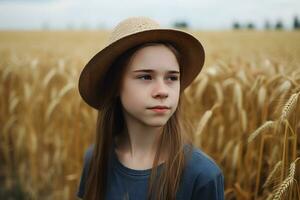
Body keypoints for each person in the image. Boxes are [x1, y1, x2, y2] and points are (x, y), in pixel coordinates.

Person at [76, 16, 224, 200]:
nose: (162, 91)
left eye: (172, 78)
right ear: (115, 86)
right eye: (146, 77)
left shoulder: (202, 176)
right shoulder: (95, 161)